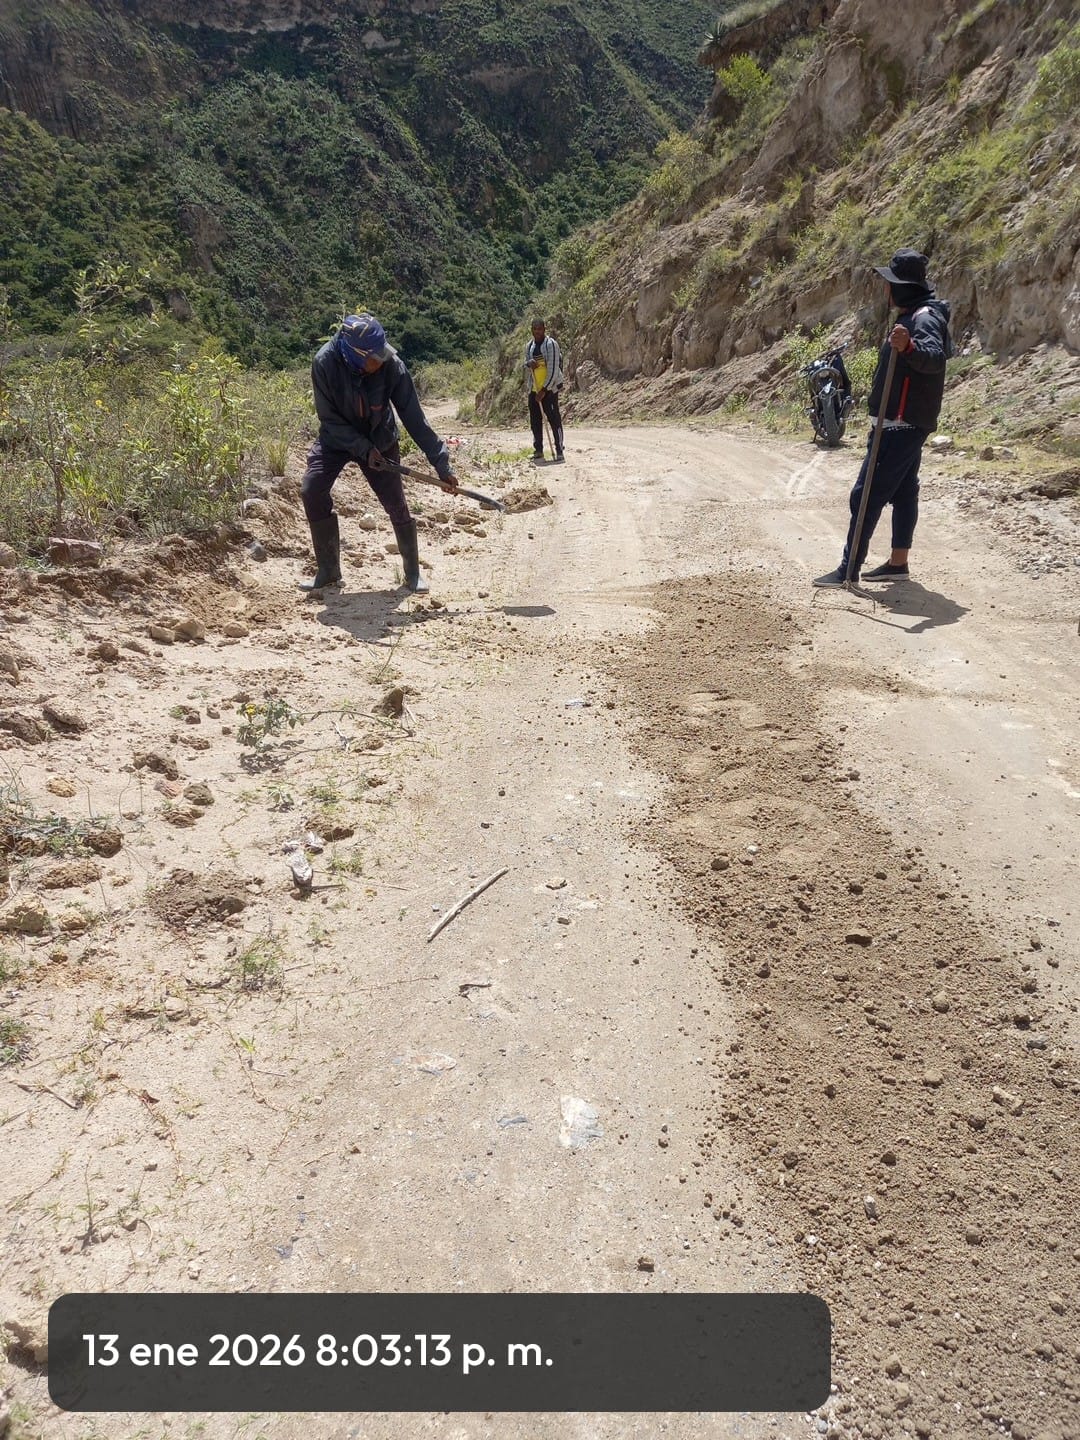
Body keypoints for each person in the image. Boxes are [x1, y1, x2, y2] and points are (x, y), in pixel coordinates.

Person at [813, 249, 951, 587]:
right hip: (906, 423)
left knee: (865, 495)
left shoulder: (923, 318)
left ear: (902, 287)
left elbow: (935, 359)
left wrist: (910, 348)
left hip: (900, 425)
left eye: (890, 284)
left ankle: (848, 570)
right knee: (904, 492)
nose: (886, 290)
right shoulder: (914, 315)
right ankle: (898, 564)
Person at [299, 313, 459, 595]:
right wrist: (362, 448)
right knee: (312, 490)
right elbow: (329, 419)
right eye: (375, 357)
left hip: (379, 436)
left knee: (395, 502)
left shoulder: (391, 365)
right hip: (337, 438)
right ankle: (328, 570)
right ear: (354, 354)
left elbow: (415, 418)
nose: (381, 360)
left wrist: (441, 463)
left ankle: (412, 573)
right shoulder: (324, 363)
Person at [524, 318, 565, 462]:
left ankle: (559, 449)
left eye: (539, 329)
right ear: (531, 330)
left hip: (549, 389)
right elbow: (525, 364)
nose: (537, 332)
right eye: (534, 329)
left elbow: (553, 369)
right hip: (534, 389)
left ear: (544, 329)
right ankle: (538, 450)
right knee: (535, 421)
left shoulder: (551, 344)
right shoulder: (529, 346)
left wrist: (544, 390)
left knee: (554, 420)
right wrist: (529, 363)